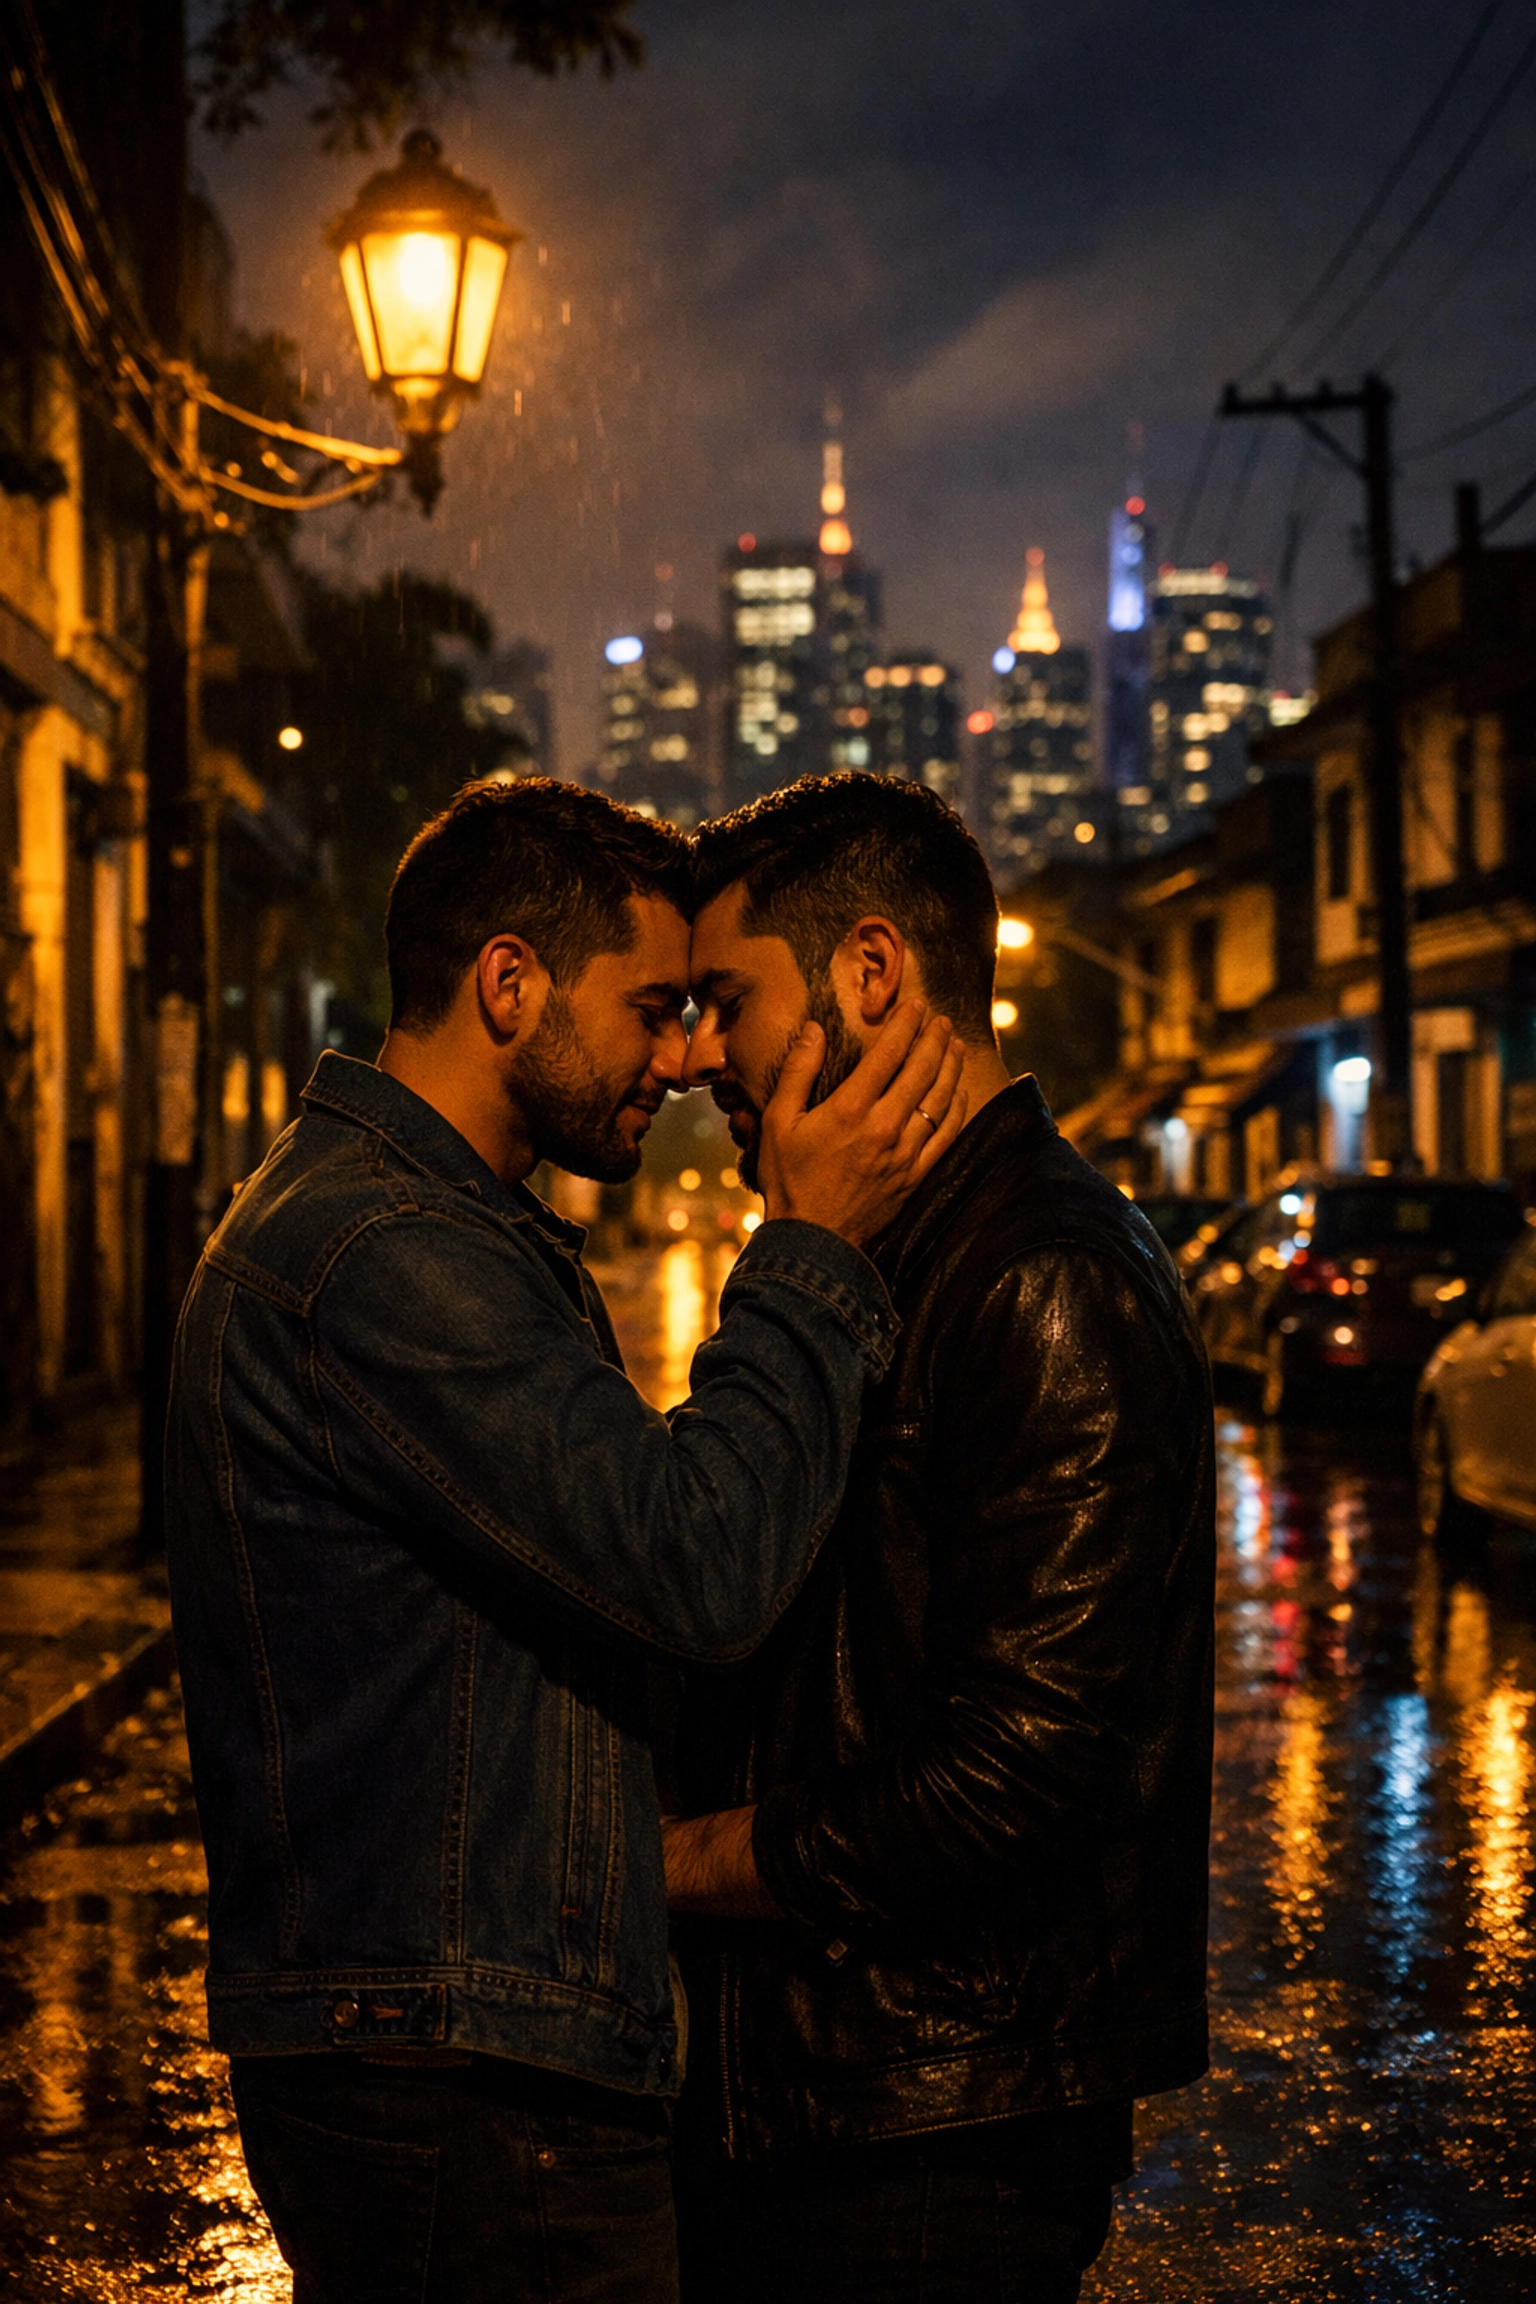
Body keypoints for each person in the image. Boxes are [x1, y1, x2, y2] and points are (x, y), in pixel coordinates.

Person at [163, 776, 965, 2304]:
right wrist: (809, 1246)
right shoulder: (384, 1253)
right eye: (654, 1008)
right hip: (464, 2078)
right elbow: (695, 1560)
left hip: (462, 2047)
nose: (684, 1059)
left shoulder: (430, 1231)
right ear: (509, 982)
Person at [667, 773, 1215, 2304]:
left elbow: (1015, 1780)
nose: (702, 1050)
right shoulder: (882, 1248)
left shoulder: (1044, 1277)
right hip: (840, 2103)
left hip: (931, 2140)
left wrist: (675, 1865)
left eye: (730, 999)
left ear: (869, 974)